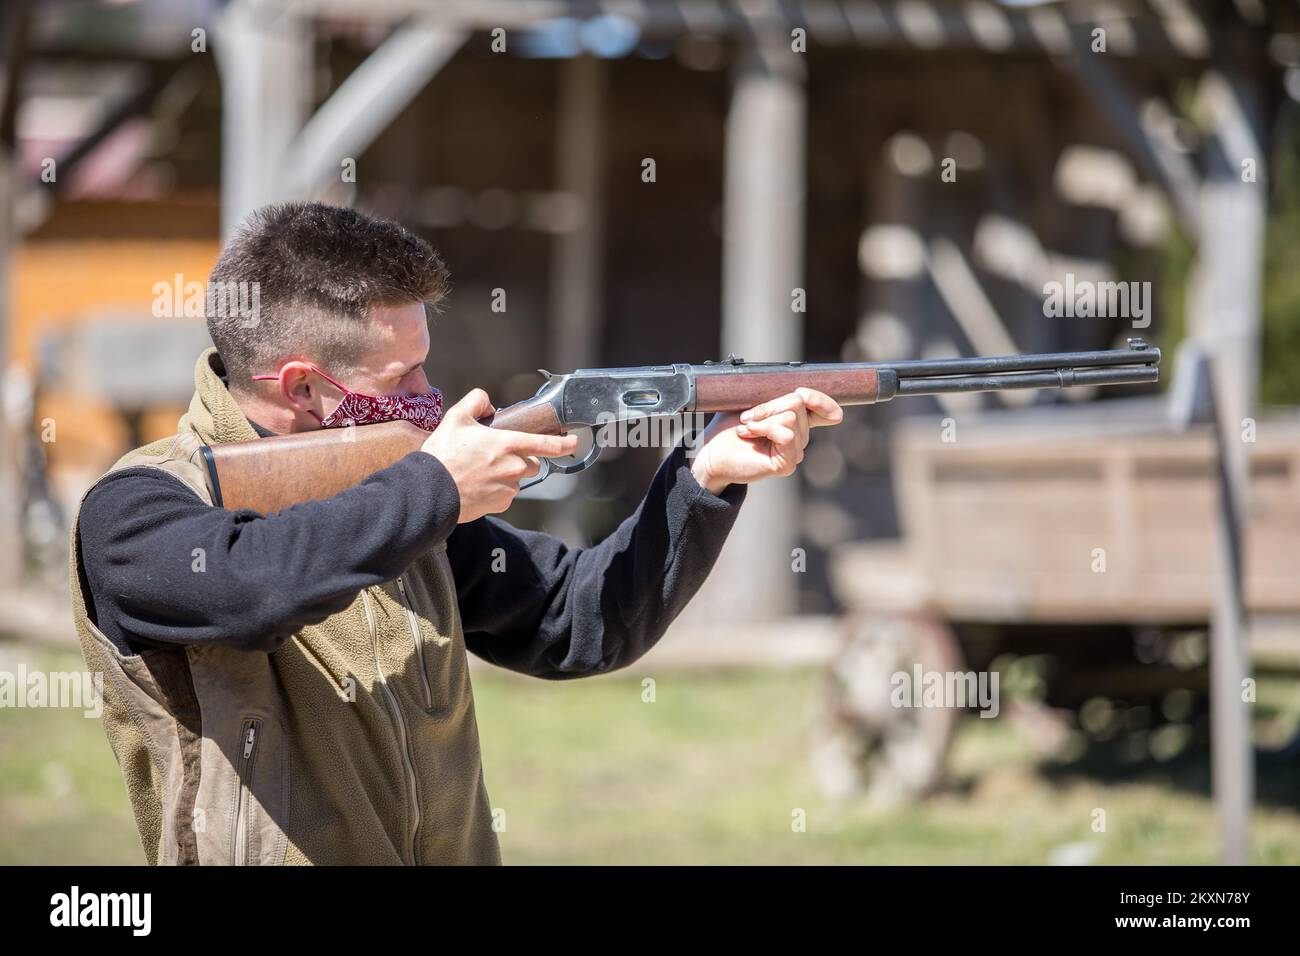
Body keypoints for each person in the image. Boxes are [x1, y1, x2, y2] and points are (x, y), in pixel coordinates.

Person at [69, 201, 843, 865]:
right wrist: (437, 487)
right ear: (303, 386)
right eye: (400, 379)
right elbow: (250, 589)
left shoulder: (401, 505)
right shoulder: (137, 509)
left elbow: (580, 623)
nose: (429, 395)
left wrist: (703, 476)